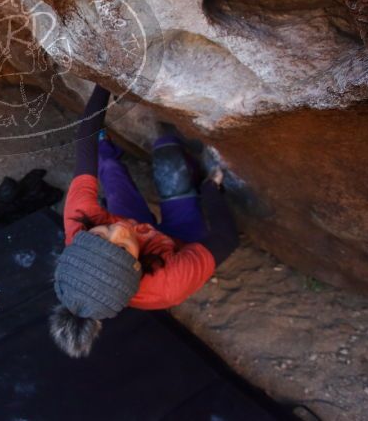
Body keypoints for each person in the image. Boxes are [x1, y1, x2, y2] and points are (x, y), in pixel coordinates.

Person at [50, 84, 239, 358]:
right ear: (136, 269)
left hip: (144, 241)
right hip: (175, 243)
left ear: (82, 238)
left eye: (101, 236)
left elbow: (84, 139)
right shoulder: (167, 285)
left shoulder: (81, 224)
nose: (120, 230)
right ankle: (187, 184)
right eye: (122, 248)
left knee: (111, 173)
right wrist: (211, 191)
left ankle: (108, 147)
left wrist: (103, 82)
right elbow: (226, 238)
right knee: (170, 162)